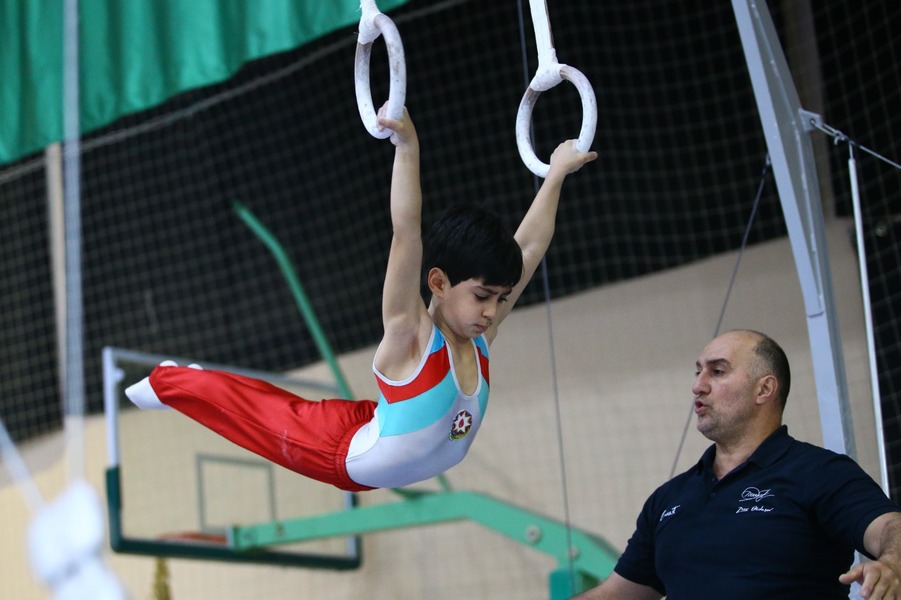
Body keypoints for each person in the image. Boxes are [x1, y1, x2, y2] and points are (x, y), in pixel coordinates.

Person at [125, 106, 597, 492]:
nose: (493, 311)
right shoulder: (411, 335)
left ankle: (184, 382)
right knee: (255, 413)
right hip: (340, 453)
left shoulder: (480, 339)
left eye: (501, 297)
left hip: (376, 424)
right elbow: (405, 233)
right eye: (482, 296)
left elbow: (528, 249)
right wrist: (407, 148)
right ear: (437, 282)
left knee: (285, 406)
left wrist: (556, 174)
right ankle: (171, 382)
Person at [572, 329, 901, 600]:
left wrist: (891, 564)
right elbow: (616, 594)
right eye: (698, 371)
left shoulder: (818, 472)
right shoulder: (668, 498)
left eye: (717, 371)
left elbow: (890, 527)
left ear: (764, 389)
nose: (698, 385)